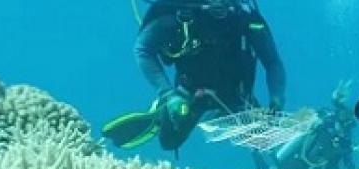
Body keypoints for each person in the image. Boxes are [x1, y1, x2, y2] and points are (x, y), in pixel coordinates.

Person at [103, 0, 286, 154]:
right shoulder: (180, 14)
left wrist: (276, 98)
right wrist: (167, 94)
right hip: (189, 95)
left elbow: (273, 62)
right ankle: (160, 114)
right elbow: (143, 49)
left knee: (265, 143)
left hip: (238, 98)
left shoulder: (246, 17)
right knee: (169, 142)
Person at [253, 81, 359, 169]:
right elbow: (325, 151)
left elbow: (346, 161)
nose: (343, 130)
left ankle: (260, 158)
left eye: (348, 126)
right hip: (300, 164)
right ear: (337, 119)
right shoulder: (324, 126)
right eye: (343, 124)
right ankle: (256, 154)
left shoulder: (345, 137)